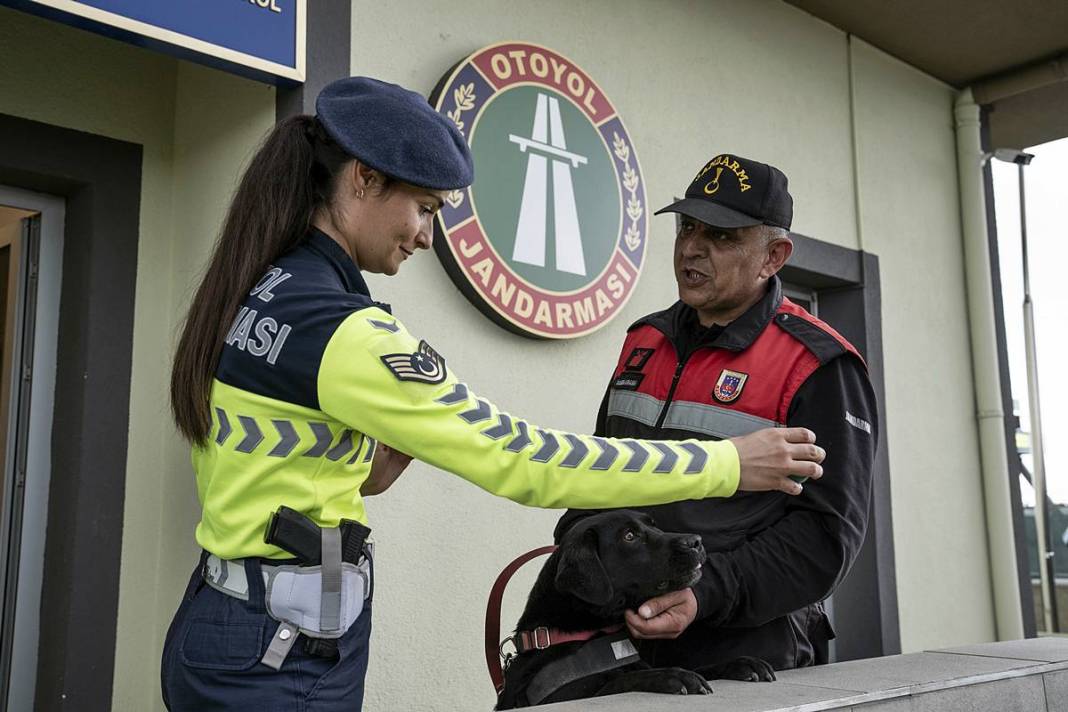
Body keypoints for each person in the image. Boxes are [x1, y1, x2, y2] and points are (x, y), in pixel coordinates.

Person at [160, 80, 826, 712]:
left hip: (232, 625)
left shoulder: (267, 289)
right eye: (424, 208)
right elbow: (528, 462)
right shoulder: (343, 331)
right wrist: (730, 463)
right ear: (362, 178)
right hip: (279, 651)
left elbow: (264, 459)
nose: (425, 235)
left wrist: (356, 471)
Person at [556, 153, 878, 673]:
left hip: (744, 647)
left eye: (722, 236)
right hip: (621, 639)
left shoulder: (818, 363)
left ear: (774, 256)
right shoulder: (646, 340)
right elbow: (600, 472)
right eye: (687, 227)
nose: (691, 248)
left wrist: (704, 593)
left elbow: (824, 538)